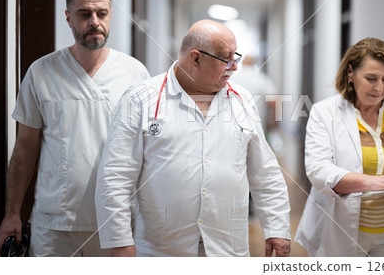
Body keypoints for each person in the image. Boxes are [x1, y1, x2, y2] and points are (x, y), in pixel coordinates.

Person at [95, 19, 291, 257]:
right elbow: (116, 176)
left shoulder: (243, 99)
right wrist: (118, 240)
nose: (234, 67)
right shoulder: (140, 99)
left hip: (227, 247)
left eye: (235, 56)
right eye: (225, 58)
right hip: (162, 250)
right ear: (196, 58)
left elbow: (266, 172)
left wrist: (277, 229)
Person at [0, 0, 150, 257]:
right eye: (84, 14)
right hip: (53, 225)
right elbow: (24, 149)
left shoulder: (135, 74)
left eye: (101, 14)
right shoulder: (41, 72)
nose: (94, 22)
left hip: (114, 223)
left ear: (110, 15)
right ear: (68, 18)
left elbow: (148, 151)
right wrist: (11, 214)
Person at [295, 37, 384, 257]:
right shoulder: (325, 112)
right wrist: (375, 182)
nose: (379, 87)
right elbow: (318, 170)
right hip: (341, 232)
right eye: (371, 78)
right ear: (350, 73)